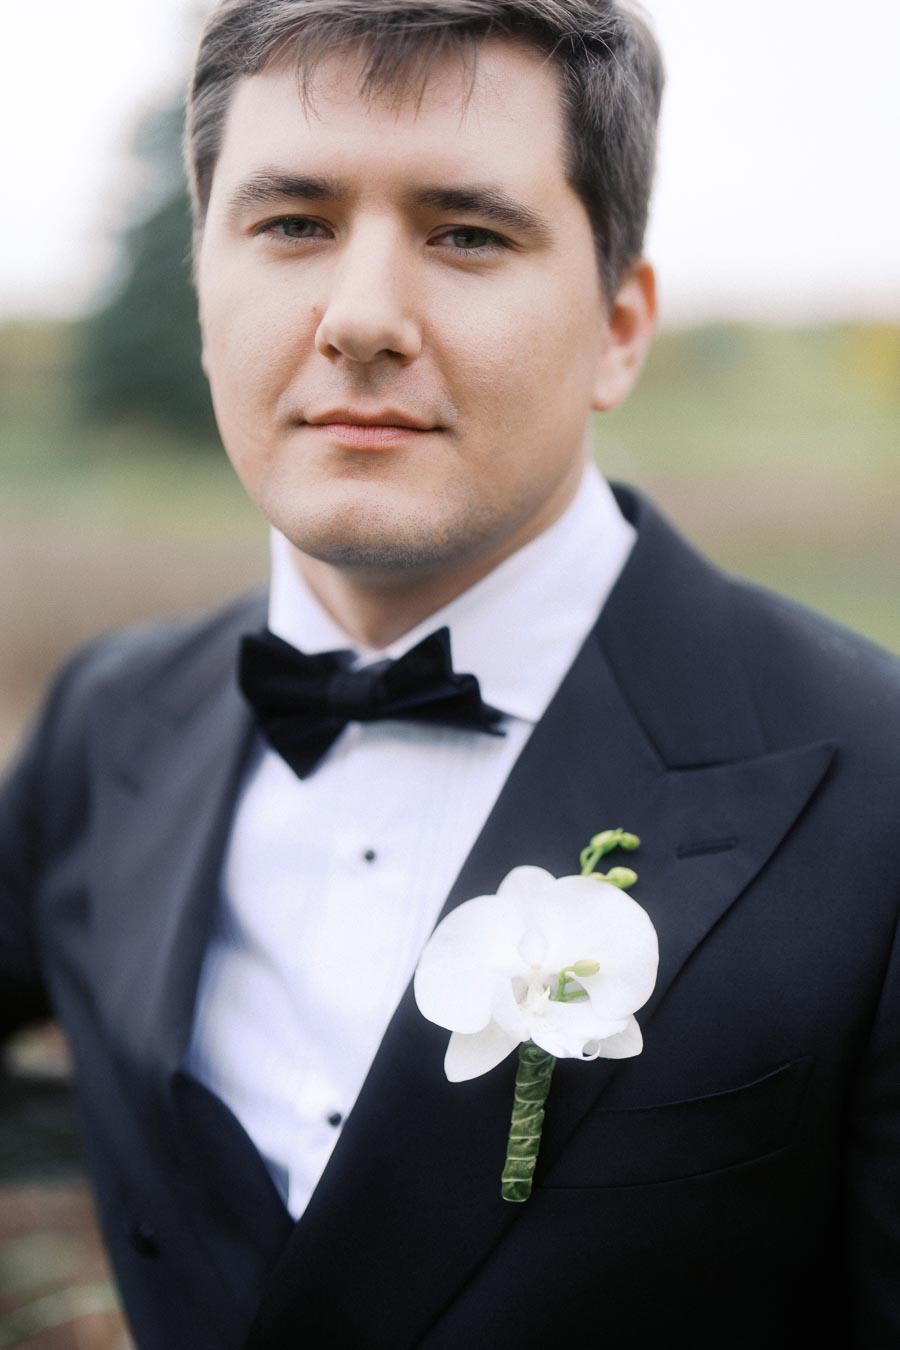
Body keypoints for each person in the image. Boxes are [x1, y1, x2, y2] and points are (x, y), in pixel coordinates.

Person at [2, 0, 899, 1346]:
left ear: (619, 324)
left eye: (466, 232)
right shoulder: (106, 716)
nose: (361, 318)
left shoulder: (875, 784)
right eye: (293, 223)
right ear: (203, 288)